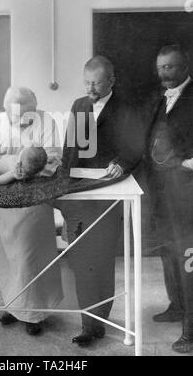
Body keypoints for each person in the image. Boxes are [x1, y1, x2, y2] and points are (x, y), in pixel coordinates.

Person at [57, 55, 143, 347]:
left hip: (107, 194)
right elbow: (71, 147)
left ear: (111, 81)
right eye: (86, 82)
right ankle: (87, 324)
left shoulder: (127, 108)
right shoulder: (79, 105)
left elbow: (135, 147)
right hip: (79, 194)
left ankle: (98, 323)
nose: (90, 87)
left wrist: (122, 163)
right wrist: (63, 183)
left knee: (101, 259)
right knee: (81, 259)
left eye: (95, 82)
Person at [0, 86, 63, 335]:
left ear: (34, 110)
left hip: (34, 195)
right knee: (9, 250)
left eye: (26, 116)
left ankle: (34, 314)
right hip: (5, 197)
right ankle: (14, 306)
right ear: (5, 109)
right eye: (14, 116)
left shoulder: (46, 122)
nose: (20, 121)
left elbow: (53, 158)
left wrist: (25, 168)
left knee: (30, 252)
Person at [146, 44, 193, 354]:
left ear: (185, 65)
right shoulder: (159, 99)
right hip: (163, 193)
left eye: (171, 67)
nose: (164, 73)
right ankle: (177, 307)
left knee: (189, 258)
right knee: (168, 252)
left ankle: (191, 329)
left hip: (188, 192)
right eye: (161, 67)